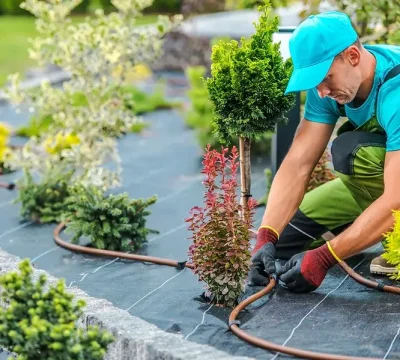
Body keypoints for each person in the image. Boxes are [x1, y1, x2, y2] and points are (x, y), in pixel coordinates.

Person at [248, 10, 400, 293]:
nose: (321, 91)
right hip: (384, 178)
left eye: (325, 78)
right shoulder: (332, 87)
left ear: (353, 57)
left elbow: (395, 199)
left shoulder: (396, 92)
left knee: (352, 151)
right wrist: (265, 237)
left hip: (395, 187)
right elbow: (298, 163)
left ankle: (395, 246)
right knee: (285, 238)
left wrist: (325, 257)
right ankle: (361, 228)